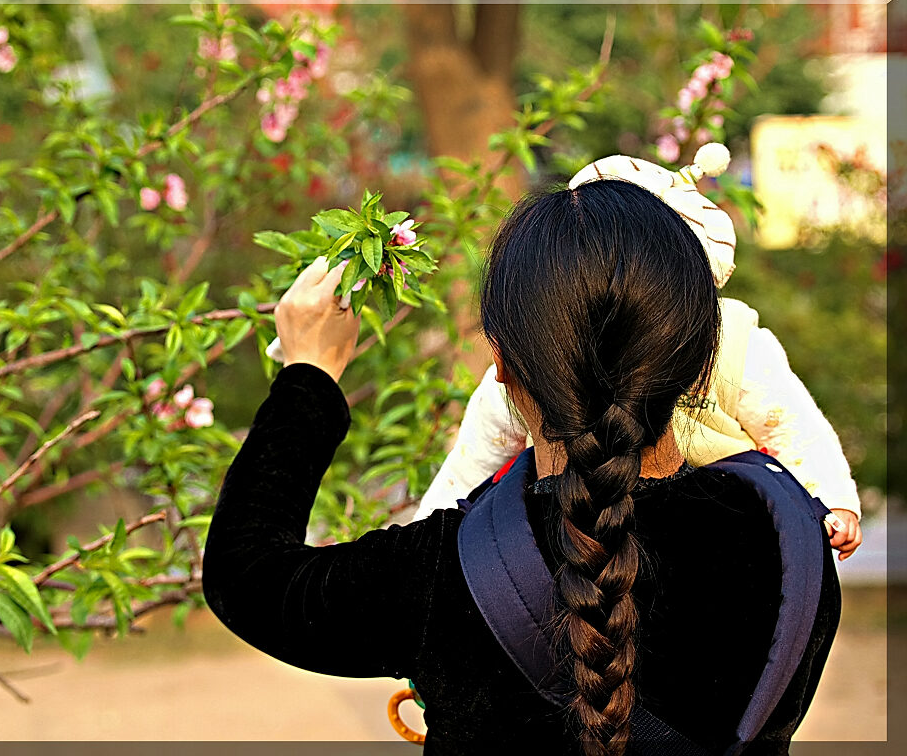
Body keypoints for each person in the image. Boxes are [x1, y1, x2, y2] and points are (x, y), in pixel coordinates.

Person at [202, 180, 840, 754]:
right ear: (705, 351)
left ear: (502, 365)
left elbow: (247, 575)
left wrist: (308, 377)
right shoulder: (788, 536)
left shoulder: (443, 574)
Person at [414, 145, 862, 561]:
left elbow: (797, 430)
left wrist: (832, 499)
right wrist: (433, 523)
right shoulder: (539, 353)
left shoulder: (737, 343)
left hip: (696, 512)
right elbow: (473, 456)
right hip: (698, 529)